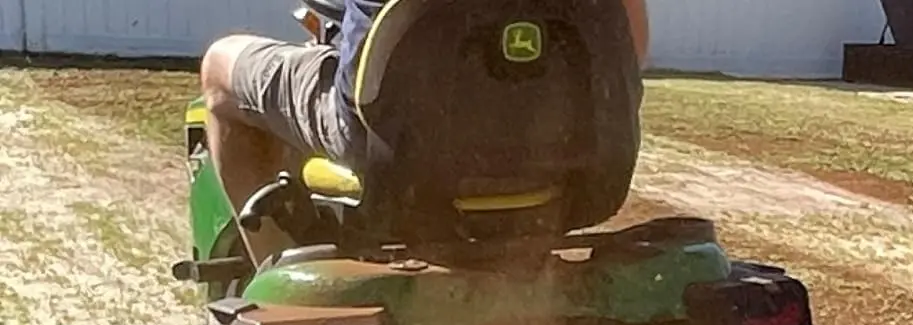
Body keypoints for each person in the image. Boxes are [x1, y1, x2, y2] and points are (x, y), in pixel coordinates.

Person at [200, 0, 651, 263]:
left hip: (399, 152)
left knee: (220, 66)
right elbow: (630, 46)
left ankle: (272, 278)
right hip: (582, 152)